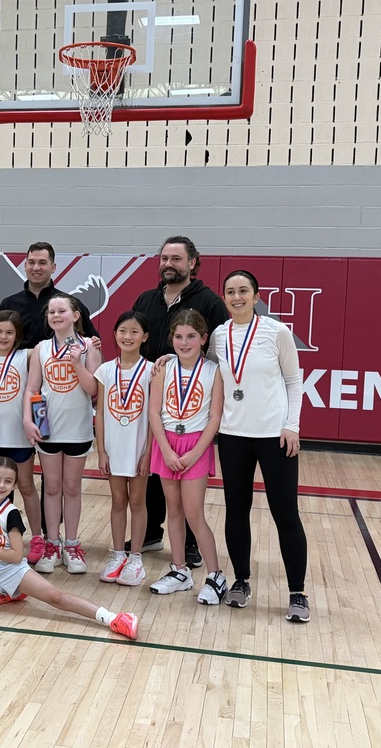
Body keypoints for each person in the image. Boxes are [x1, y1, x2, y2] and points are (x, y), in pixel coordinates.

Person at [208, 270, 310, 622]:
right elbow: (207, 373)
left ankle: (297, 593)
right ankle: (241, 582)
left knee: (286, 514)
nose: (237, 297)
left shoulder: (276, 331)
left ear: (256, 296)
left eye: (243, 291)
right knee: (236, 511)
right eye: (231, 292)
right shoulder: (219, 336)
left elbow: (295, 381)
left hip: (274, 437)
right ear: (224, 297)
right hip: (233, 435)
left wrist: (292, 426)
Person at [0, 457, 139, 641]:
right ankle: (4, 596)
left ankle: (113, 618)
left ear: (14, 485)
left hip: (12, 571)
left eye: (8, 481)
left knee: (57, 598)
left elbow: (16, 556)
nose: (1, 485)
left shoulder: (11, 514)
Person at [131, 236, 228, 565]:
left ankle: (187, 545)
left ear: (192, 263)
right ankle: (152, 532)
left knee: (185, 485)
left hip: (192, 401)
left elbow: (216, 351)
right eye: (164, 258)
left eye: (176, 259)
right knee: (155, 468)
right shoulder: (146, 300)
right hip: (155, 396)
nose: (168, 264)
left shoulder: (210, 302)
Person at [147, 310, 228, 604]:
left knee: (194, 513)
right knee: (175, 511)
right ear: (172, 339)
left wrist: (195, 453)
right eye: (179, 337)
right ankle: (179, 571)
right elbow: (154, 412)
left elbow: (215, 418)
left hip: (196, 445)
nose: (184, 342)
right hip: (166, 444)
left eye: (191, 336)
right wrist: (166, 450)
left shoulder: (214, 371)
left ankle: (215, 575)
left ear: (203, 339)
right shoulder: (163, 369)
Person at [23, 293, 102, 575]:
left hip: (78, 429)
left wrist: (78, 363)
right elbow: (32, 389)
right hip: (48, 429)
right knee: (52, 488)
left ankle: (71, 544)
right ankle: (52, 544)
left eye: (62, 311)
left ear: (75, 315)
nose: (56, 316)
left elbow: (93, 390)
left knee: (72, 488)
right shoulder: (41, 348)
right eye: (51, 312)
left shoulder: (90, 347)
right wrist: (27, 420)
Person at [0, 310, 44, 563]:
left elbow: (56, 349)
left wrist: (89, 342)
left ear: (17, 336)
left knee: (25, 486)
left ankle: (37, 538)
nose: (3, 336)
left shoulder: (27, 356)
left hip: (19, 437)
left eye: (9, 332)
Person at [93, 311, 152, 586]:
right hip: (114, 447)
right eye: (122, 331)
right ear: (115, 334)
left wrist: (148, 452)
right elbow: (101, 414)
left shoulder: (152, 370)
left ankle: (136, 558)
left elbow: (154, 416)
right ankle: (118, 555)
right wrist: (101, 451)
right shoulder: (105, 370)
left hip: (139, 448)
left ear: (145, 337)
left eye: (134, 332)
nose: (128, 336)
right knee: (118, 501)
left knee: (137, 502)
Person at [0, 241, 99, 349]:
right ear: (25, 266)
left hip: (58, 365)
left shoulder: (72, 304)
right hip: (18, 365)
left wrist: (94, 342)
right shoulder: (8, 304)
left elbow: (91, 342)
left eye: (42, 263)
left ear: (53, 267)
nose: (36, 268)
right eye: (31, 262)